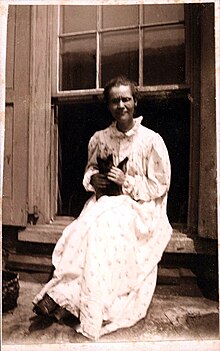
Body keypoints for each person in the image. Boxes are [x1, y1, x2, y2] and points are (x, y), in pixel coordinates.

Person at [32, 76, 172, 340]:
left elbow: (160, 185)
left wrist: (127, 181)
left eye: (126, 99)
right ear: (108, 105)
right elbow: (91, 170)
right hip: (104, 202)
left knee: (104, 228)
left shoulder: (151, 140)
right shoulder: (101, 139)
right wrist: (93, 180)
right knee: (81, 230)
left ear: (135, 101)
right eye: (115, 100)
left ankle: (84, 305)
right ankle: (62, 296)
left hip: (137, 206)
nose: (121, 105)